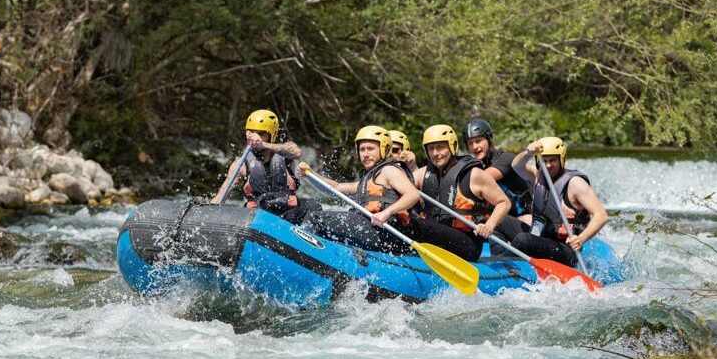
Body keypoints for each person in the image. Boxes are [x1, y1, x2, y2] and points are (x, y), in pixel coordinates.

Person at [303, 126, 422, 254]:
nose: (365, 154)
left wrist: (386, 213)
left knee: (315, 218)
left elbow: (413, 194)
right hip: (368, 227)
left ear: (383, 149)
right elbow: (335, 188)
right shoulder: (368, 178)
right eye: (362, 149)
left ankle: (301, 252)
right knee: (313, 210)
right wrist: (310, 175)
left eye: (370, 149)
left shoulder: (389, 170)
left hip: (383, 232)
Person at [415, 124, 522, 261]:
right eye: (431, 148)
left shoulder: (474, 175)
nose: (436, 153)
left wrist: (489, 225)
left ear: (452, 146)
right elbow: (404, 188)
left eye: (440, 147)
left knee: (418, 225)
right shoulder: (423, 174)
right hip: (437, 238)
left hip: (467, 244)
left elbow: (504, 203)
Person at [509, 136, 608, 267]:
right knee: (500, 222)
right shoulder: (538, 175)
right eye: (545, 161)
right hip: (541, 236)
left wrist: (581, 239)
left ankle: (514, 270)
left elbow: (601, 215)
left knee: (523, 240)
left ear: (561, 159)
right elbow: (516, 166)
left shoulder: (575, 184)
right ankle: (501, 263)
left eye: (553, 160)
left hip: (565, 249)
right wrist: (528, 152)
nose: (548, 165)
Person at [219, 109, 318, 223]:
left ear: (272, 135)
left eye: (261, 133)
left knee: (312, 206)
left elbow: (297, 152)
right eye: (251, 132)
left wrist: (264, 144)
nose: (255, 137)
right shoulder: (240, 164)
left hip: (289, 214)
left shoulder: (284, 155)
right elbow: (221, 195)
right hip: (258, 217)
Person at [464, 118, 532, 218]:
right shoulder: (476, 165)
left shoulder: (506, 158)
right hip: (504, 218)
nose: (474, 147)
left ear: (488, 139)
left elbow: (483, 178)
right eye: (470, 143)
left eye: (478, 141)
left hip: (525, 216)